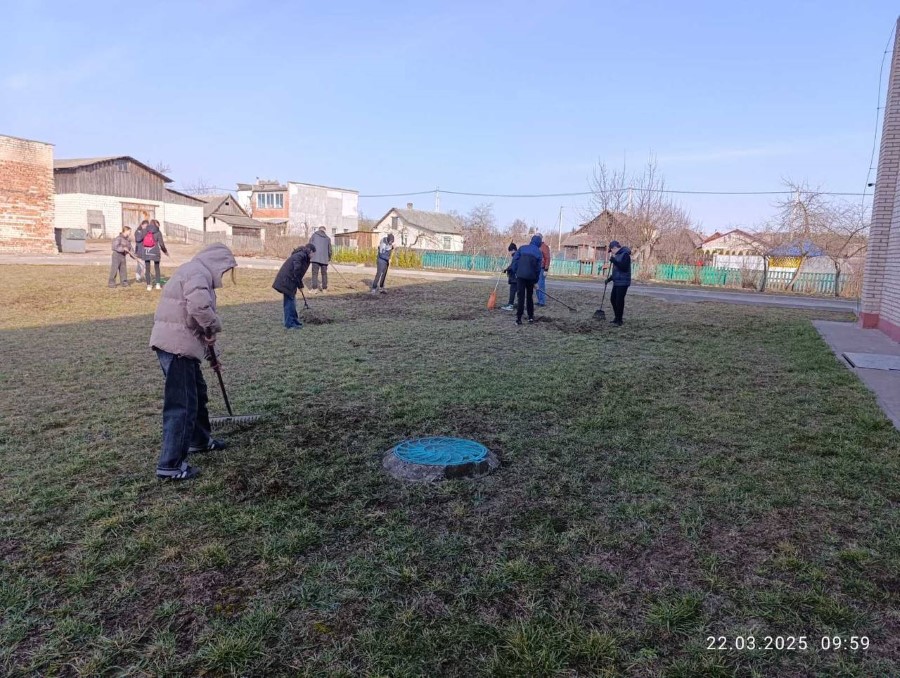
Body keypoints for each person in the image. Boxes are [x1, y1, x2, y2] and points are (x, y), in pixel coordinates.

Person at [149, 243, 237, 480]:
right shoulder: (198, 273)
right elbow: (199, 309)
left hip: (177, 343)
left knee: (197, 393)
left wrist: (211, 354)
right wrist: (213, 326)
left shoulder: (193, 271)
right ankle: (170, 466)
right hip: (177, 348)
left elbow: (193, 320)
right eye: (225, 269)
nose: (224, 275)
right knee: (182, 405)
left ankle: (199, 440)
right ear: (217, 263)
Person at [272, 243, 314, 329]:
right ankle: (289, 324)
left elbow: (298, 273)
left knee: (292, 301)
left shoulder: (302, 256)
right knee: (289, 302)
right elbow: (297, 271)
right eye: (314, 253)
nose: (313, 256)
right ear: (310, 251)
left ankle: (294, 321)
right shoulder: (300, 256)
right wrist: (300, 285)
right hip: (287, 281)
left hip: (290, 280)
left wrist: (299, 285)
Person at [511, 234, 544, 325]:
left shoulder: (522, 248)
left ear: (531, 240)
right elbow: (538, 269)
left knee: (520, 297)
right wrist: (535, 281)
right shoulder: (539, 252)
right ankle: (530, 317)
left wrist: (515, 272)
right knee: (529, 297)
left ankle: (519, 319)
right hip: (531, 277)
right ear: (539, 243)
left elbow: (515, 260)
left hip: (520, 276)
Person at [606, 240, 632, 326]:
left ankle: (619, 320)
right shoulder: (617, 255)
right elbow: (617, 271)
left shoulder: (625, 255)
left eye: (611, 250)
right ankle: (616, 318)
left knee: (619, 301)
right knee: (613, 299)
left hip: (623, 282)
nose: (611, 252)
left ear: (614, 248)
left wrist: (614, 261)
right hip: (617, 281)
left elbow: (624, 268)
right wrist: (609, 279)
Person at [142, 219, 169, 291]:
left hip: (146, 251)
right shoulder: (158, 232)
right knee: (157, 268)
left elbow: (141, 241)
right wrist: (165, 251)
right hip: (155, 251)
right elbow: (161, 244)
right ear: (156, 224)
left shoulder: (145, 230)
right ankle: (157, 285)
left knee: (147, 269)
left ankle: (148, 286)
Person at [309, 226, 333, 293]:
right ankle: (324, 289)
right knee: (324, 274)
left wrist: (309, 255)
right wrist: (329, 258)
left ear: (319, 229)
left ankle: (314, 289)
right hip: (324, 259)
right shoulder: (328, 238)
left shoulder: (314, 235)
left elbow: (309, 246)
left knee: (315, 274)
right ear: (324, 231)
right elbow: (330, 250)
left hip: (315, 258)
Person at [500, 242, 518, 311]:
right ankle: (518, 304)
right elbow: (512, 265)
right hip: (518, 277)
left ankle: (510, 305)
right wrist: (505, 270)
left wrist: (506, 270)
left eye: (510, 251)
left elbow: (513, 267)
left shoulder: (516, 256)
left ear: (513, 250)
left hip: (515, 277)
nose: (510, 253)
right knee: (518, 291)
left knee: (513, 290)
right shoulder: (518, 255)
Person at [535, 233, 551, 306]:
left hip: (542, 268)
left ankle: (542, 302)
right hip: (536, 268)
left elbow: (547, 258)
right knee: (536, 285)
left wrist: (546, 269)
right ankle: (539, 300)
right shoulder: (536, 246)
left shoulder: (544, 247)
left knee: (541, 285)